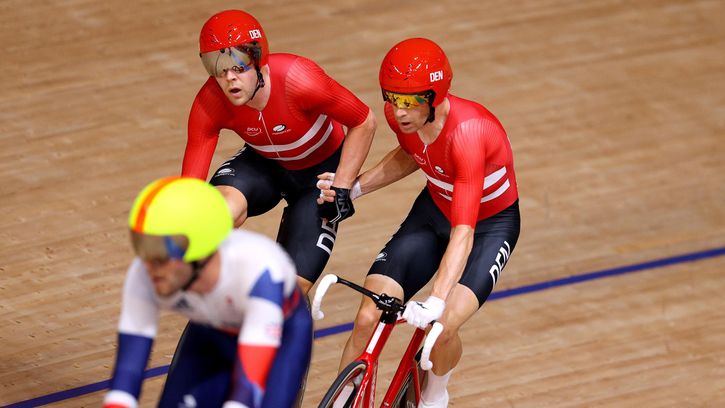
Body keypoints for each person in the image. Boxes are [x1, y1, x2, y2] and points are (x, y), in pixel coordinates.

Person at [318, 38, 521, 407]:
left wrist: (437, 299)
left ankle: (435, 395)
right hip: (433, 213)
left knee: (442, 328)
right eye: (392, 98)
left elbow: (464, 230)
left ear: (435, 96)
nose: (399, 111)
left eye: (410, 101)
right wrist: (354, 189)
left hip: (488, 226)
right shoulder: (402, 116)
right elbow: (410, 154)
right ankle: (344, 400)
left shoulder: (468, 135)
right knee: (367, 316)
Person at [183, 9, 376, 295]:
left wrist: (342, 186)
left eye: (238, 66)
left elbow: (364, 121)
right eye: (217, 67)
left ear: (259, 59)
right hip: (264, 165)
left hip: (317, 179)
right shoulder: (209, 100)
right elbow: (191, 185)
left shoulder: (301, 80)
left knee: (289, 294)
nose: (229, 78)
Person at [103, 177, 312, 408]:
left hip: (280, 341)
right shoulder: (146, 272)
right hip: (212, 331)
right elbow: (125, 378)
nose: (149, 265)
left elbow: (247, 389)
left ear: (199, 252)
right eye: (143, 246)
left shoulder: (258, 273)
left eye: (160, 253)